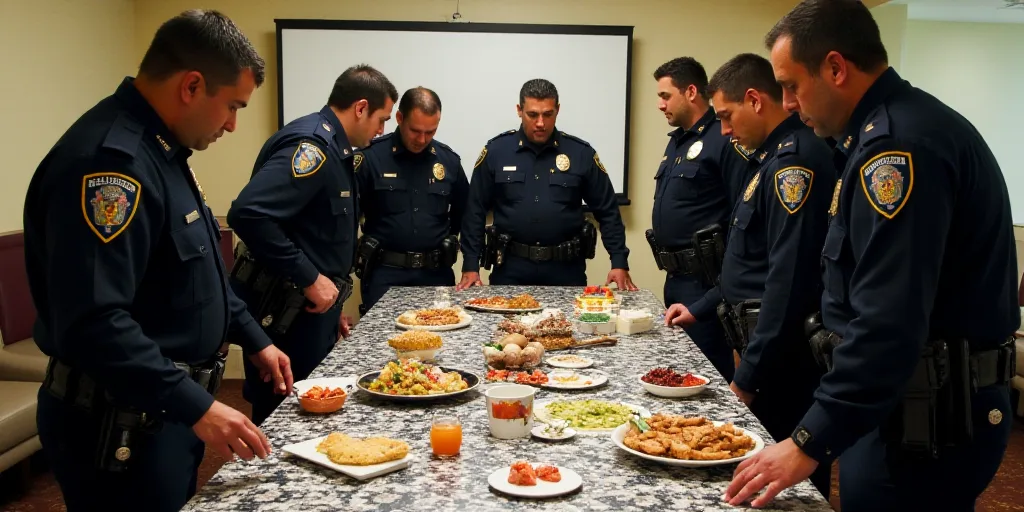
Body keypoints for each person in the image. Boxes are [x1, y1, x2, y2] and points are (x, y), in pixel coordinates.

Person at [726, 1, 1020, 509]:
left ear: (836, 68)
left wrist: (808, 439)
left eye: (792, 85)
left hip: (925, 421)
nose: (789, 104)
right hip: (895, 407)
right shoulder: (878, 136)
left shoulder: (898, 150)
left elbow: (887, 317)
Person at [23, 10, 294, 511]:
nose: (234, 125)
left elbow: (200, 277)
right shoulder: (110, 166)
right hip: (120, 421)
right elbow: (95, 321)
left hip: (162, 410)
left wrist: (256, 339)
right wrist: (199, 406)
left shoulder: (162, 153)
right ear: (192, 85)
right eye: (232, 106)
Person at [679, 52, 835, 497]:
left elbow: (786, 282)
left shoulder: (794, 163)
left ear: (754, 100)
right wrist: (703, 306)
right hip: (760, 347)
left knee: (785, 487)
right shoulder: (767, 160)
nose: (724, 130)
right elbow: (745, 262)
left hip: (782, 359)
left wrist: (749, 376)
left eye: (727, 116)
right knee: (757, 475)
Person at [226, 65, 397, 425]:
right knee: (283, 421)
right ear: (361, 107)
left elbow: (314, 235)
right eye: (382, 119)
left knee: (312, 417)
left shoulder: (337, 149)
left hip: (311, 314)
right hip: (287, 316)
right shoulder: (313, 148)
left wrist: (331, 304)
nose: (382, 131)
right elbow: (249, 215)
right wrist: (310, 279)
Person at [457, 79, 637, 290]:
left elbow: (607, 210)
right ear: (519, 110)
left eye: (548, 114)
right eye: (532, 115)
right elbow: (474, 211)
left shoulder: (580, 153)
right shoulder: (497, 152)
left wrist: (619, 261)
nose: (540, 123)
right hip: (511, 269)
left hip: (566, 271)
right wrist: (470, 265)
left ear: (557, 110)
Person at [652, 57, 753, 383]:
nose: (660, 104)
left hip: (707, 283)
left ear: (691, 91)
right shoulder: (677, 141)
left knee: (705, 382)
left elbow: (743, 217)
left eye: (665, 96)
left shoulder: (723, 140)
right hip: (676, 279)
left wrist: (716, 292)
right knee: (679, 375)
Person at [354, 87, 469, 314]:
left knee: (440, 343)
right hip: (386, 273)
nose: (422, 139)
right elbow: (347, 220)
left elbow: (465, 215)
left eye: (430, 132)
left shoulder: (449, 161)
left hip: (436, 274)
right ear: (399, 118)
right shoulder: (370, 158)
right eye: (415, 131)